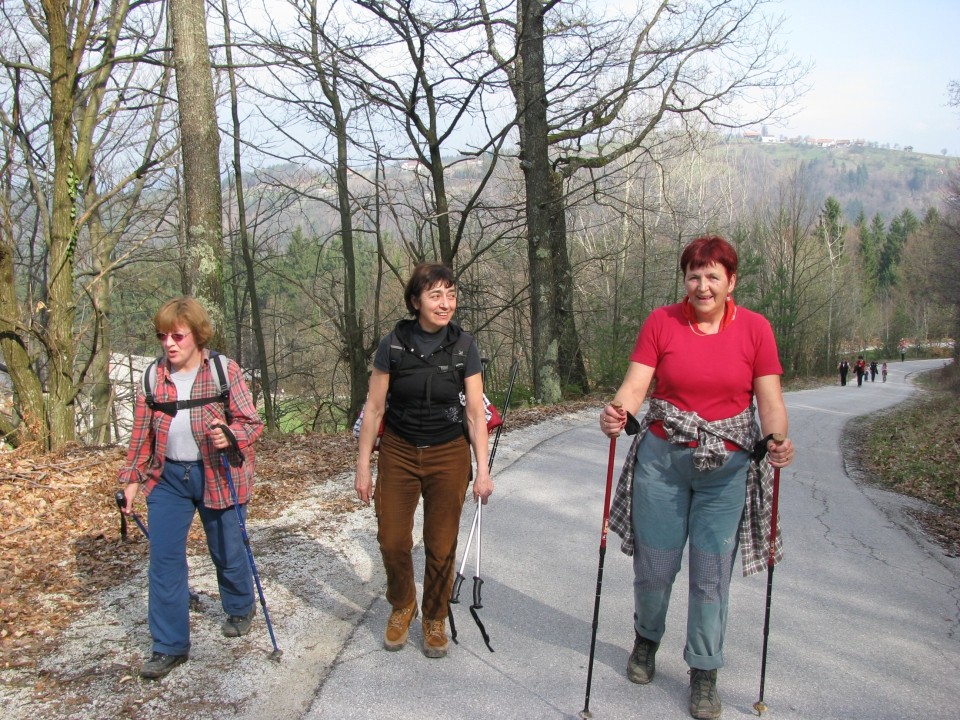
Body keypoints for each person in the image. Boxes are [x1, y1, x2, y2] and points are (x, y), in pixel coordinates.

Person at [599, 236, 794, 720]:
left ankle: (704, 671)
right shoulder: (661, 322)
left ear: (732, 282)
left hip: (726, 471)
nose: (702, 285)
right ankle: (647, 640)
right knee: (656, 567)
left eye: (713, 276)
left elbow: (769, 401)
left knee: (710, 577)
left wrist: (777, 440)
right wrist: (618, 412)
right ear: (684, 279)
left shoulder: (756, 330)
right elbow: (636, 384)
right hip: (663, 462)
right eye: (693, 275)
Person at [118, 297, 264, 680]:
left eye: (177, 336)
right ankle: (168, 646)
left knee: (227, 550)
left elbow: (251, 422)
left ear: (197, 336)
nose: (169, 344)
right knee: (164, 561)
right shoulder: (153, 378)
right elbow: (140, 439)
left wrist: (230, 434)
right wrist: (130, 482)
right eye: (162, 336)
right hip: (168, 479)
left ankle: (239, 604)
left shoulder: (222, 371)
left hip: (219, 473)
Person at [354, 262, 492, 659]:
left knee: (440, 542)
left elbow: (475, 414)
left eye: (451, 294)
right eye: (436, 295)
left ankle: (434, 615)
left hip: (448, 453)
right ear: (416, 301)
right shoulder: (393, 345)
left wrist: (482, 470)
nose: (445, 303)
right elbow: (375, 408)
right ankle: (402, 604)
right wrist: (364, 466)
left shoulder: (465, 346)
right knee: (392, 539)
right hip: (398, 450)